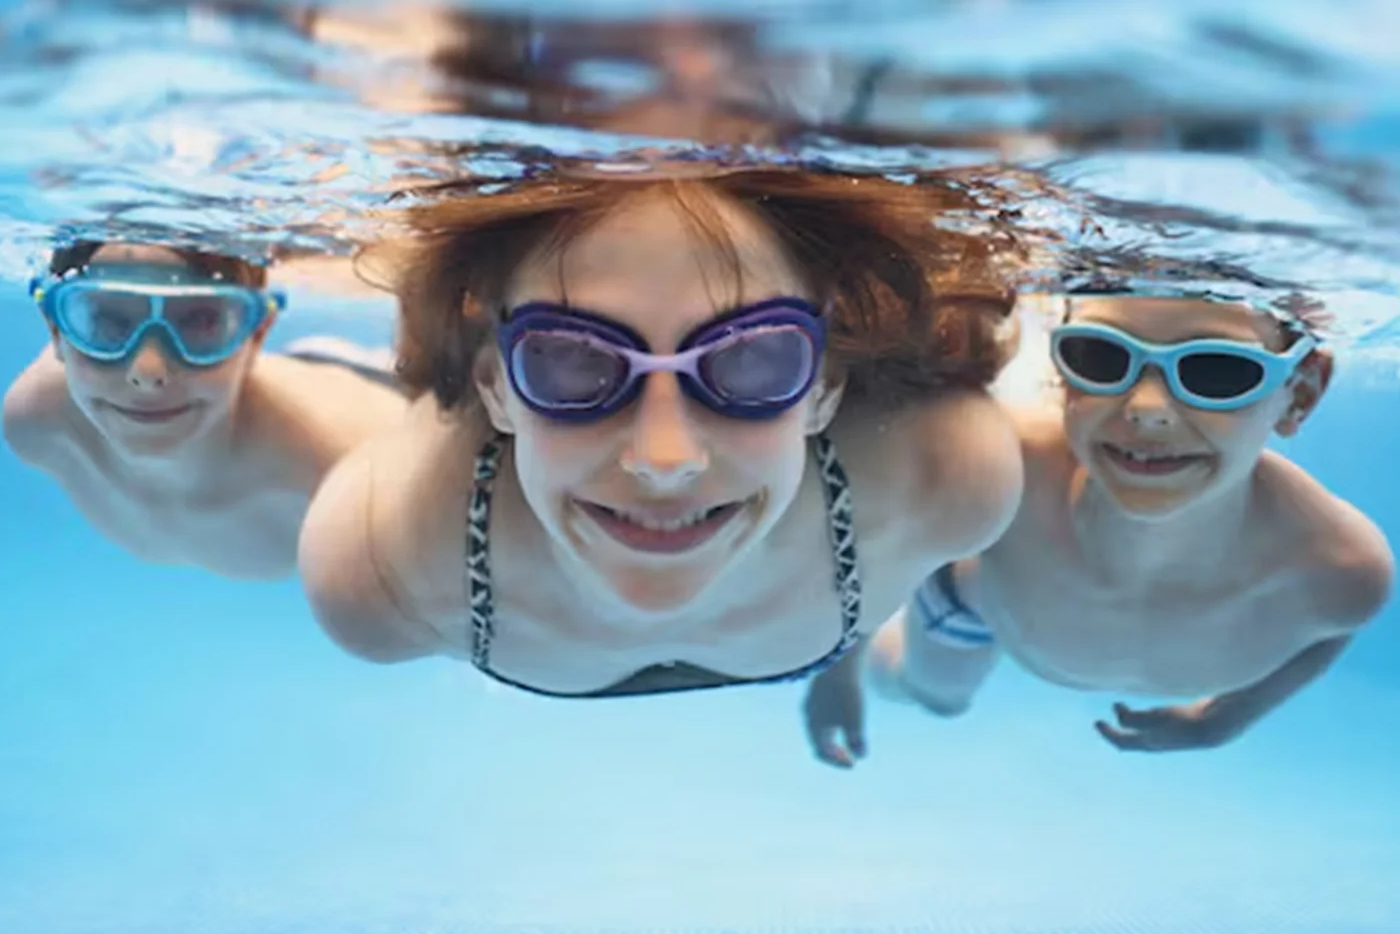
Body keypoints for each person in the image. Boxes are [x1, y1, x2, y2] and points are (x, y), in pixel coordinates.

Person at [297, 161, 1027, 697]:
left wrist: (850, 645)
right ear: (495, 388)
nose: (663, 459)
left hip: (850, 607)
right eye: (573, 363)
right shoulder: (379, 569)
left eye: (750, 361)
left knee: (935, 697)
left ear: (824, 388)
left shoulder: (950, 476)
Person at [802, 293, 1393, 763]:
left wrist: (1222, 721)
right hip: (970, 603)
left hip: (1026, 616)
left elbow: (1330, 629)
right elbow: (881, 536)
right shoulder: (1004, 458)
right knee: (936, 698)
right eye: (1101, 357)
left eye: (1217, 370)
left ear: (1301, 394)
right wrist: (837, 670)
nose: (1146, 408)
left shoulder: (1339, 566)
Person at [3, 240, 408, 580]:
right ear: (55, 330)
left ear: (257, 335)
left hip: (394, 388)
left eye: (200, 321)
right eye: (107, 321)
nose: (148, 372)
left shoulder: (347, 470)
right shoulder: (37, 421)